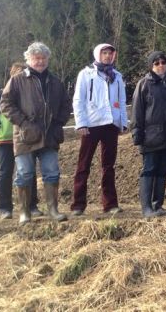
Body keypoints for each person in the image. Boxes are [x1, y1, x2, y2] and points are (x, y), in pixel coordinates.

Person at [1, 42, 71, 224]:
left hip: (50, 136)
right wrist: (23, 123)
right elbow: (6, 104)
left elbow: (66, 105)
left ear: (47, 59)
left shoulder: (55, 82)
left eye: (43, 58)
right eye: (36, 58)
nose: (40, 61)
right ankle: (25, 212)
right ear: (28, 59)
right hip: (25, 137)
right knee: (24, 173)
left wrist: (58, 124)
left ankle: (53, 210)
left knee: (52, 172)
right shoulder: (17, 80)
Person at [70, 43, 127, 216]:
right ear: (97, 54)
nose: (108, 56)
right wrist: (81, 123)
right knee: (83, 164)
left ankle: (110, 204)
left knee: (108, 166)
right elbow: (78, 99)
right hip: (91, 124)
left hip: (111, 124)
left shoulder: (116, 76)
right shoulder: (86, 74)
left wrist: (123, 121)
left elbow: (122, 101)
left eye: (110, 53)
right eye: (104, 53)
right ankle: (78, 204)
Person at [131, 51, 166, 218]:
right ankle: (146, 208)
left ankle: (158, 205)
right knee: (149, 169)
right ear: (151, 66)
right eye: (156, 63)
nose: (161, 65)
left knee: (164, 170)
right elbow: (137, 112)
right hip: (151, 137)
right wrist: (137, 134)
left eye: (163, 62)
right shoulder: (143, 84)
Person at [0, 63, 42, 220]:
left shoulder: (32, 94)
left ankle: (32, 206)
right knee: (5, 173)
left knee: (28, 172)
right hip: (6, 140)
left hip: (26, 139)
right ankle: (5, 208)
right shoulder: (1, 94)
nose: (22, 76)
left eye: (25, 73)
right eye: (18, 73)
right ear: (12, 76)